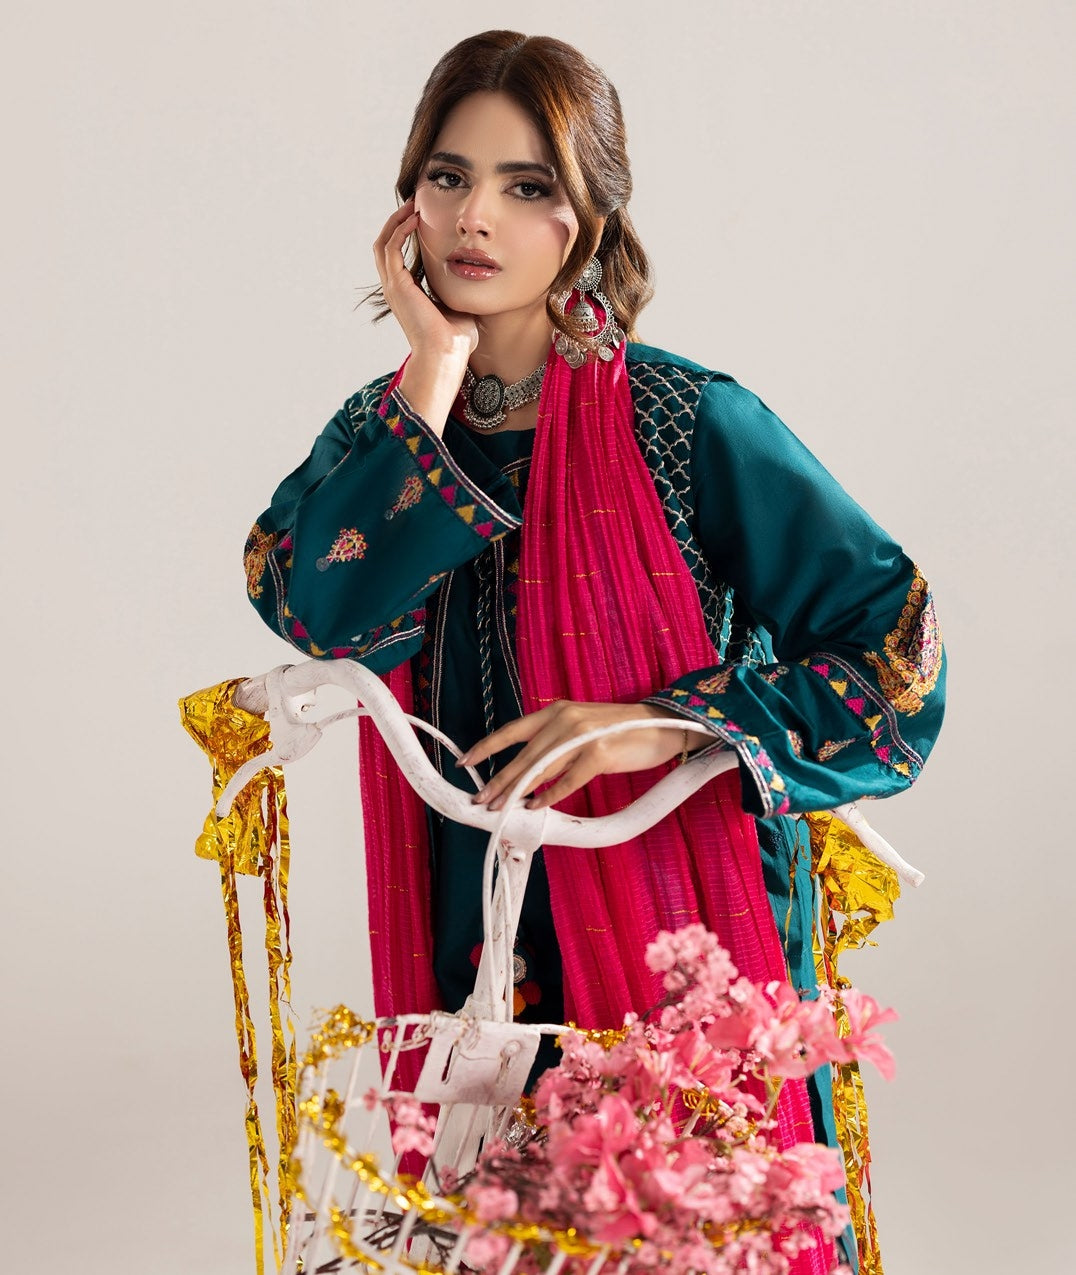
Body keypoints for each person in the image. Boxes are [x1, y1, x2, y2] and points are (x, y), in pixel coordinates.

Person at [242, 29, 944, 1272]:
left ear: (589, 220)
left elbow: (893, 653)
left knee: (690, 1223)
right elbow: (315, 610)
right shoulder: (381, 433)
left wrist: (667, 722)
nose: (475, 217)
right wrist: (434, 369)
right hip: (470, 911)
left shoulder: (685, 421)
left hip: (675, 899)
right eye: (448, 177)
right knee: (493, 1230)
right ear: (408, 202)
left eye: (526, 187)